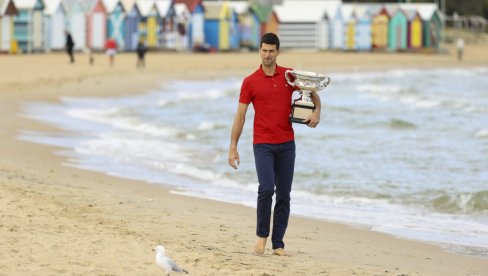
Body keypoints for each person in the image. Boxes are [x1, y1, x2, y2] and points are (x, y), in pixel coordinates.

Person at [228, 33, 321, 256]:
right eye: (264, 50)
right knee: (266, 188)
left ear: (278, 52)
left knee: (284, 194)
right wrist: (233, 146)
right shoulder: (250, 81)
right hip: (263, 144)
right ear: (259, 51)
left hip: (287, 144)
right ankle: (262, 237)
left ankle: (278, 244)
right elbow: (240, 115)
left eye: (271, 51)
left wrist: (316, 112)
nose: (267, 54)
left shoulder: (289, 76)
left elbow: (312, 93)